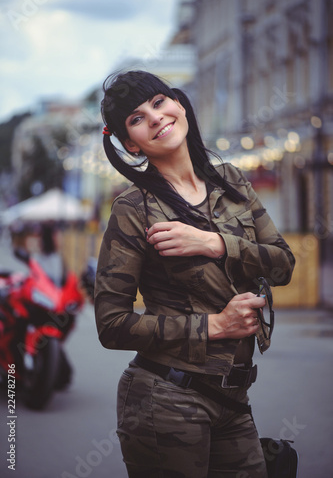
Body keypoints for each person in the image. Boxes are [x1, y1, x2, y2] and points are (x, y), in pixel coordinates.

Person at [94, 70, 295, 478]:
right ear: (130, 143)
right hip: (165, 401)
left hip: (234, 399)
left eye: (158, 102)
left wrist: (215, 243)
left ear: (179, 104)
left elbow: (283, 264)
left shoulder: (233, 182)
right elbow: (111, 325)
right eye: (136, 118)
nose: (154, 117)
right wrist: (214, 327)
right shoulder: (134, 209)